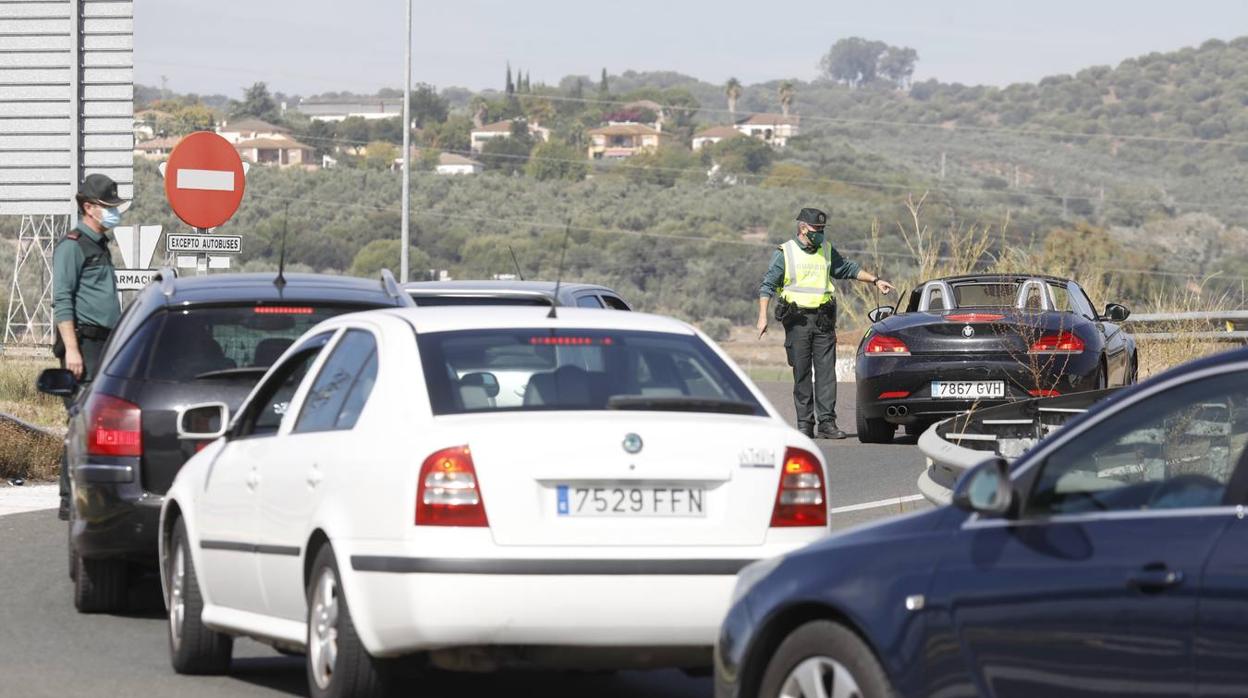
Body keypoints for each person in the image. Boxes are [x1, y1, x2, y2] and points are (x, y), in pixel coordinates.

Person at [757, 208, 895, 439]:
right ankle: (804, 424)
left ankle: (827, 423)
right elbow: (768, 285)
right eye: (816, 229)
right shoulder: (785, 252)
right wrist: (762, 317)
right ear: (803, 228)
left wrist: (875, 280)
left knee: (826, 374)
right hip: (797, 321)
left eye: (822, 229)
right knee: (801, 373)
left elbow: (847, 269)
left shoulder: (827, 250)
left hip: (823, 321)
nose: (820, 233)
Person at [52, 173, 125, 517]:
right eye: (107, 207)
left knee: (99, 421)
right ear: (88, 207)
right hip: (84, 345)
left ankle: (92, 494)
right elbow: (62, 300)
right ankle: (69, 500)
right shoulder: (73, 245)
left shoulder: (99, 244)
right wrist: (72, 350)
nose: (114, 213)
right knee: (81, 421)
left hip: (103, 345)